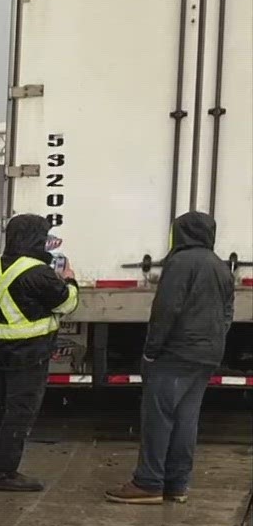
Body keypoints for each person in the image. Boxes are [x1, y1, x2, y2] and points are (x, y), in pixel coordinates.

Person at [107, 211, 234, 504]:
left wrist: (151, 350)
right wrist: (214, 338)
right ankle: (177, 484)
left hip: (175, 352)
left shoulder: (179, 263)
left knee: (159, 418)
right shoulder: (220, 265)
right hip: (207, 353)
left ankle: (149, 482)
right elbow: (228, 311)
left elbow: (165, 311)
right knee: (186, 419)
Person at [0, 213, 78, 491]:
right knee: (19, 412)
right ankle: (4, 473)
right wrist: (70, 281)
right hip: (30, 353)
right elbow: (65, 304)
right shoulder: (39, 273)